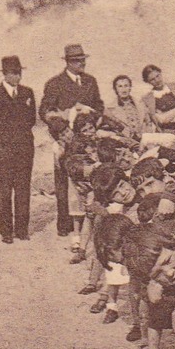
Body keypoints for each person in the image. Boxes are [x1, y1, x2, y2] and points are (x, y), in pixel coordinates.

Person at [39, 44, 104, 235]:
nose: (82, 63)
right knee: (64, 182)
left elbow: (99, 105)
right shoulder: (54, 84)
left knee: (89, 177)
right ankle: (65, 224)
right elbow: (45, 111)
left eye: (83, 59)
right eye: (77, 60)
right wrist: (62, 129)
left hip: (88, 137)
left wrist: (91, 114)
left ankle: (89, 222)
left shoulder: (90, 81)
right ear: (67, 62)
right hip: (65, 138)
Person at [0, 56, 36, 244]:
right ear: (4, 74)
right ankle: (6, 232)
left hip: (24, 151)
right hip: (1, 154)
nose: (17, 77)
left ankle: (22, 230)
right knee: (3, 193)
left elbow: (31, 120)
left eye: (19, 72)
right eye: (13, 73)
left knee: (23, 191)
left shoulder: (28, 93)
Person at [104, 75, 149, 140]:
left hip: (144, 141)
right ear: (115, 89)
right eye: (120, 86)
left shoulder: (140, 104)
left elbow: (148, 123)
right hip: (125, 144)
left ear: (130, 87)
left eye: (126, 86)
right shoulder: (110, 110)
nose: (123, 89)